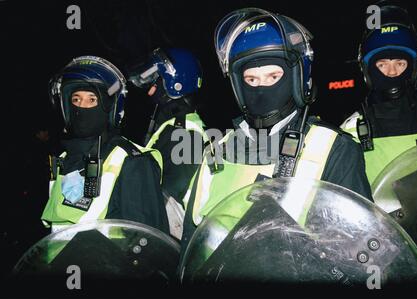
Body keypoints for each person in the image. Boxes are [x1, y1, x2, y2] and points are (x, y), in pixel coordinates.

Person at [180, 8, 373, 256]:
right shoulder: (215, 151)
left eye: (273, 76)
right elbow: (190, 244)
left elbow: (355, 253)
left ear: (297, 78)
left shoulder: (334, 147)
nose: (261, 88)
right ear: (238, 86)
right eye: (251, 80)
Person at [41, 55, 169, 234]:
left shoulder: (132, 161)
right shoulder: (64, 161)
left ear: (110, 108)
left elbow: (148, 246)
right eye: (76, 100)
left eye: (92, 100)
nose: (81, 107)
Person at [340, 3, 417, 185]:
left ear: (414, 67)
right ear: (367, 70)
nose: (392, 73)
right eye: (382, 64)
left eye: (400, 63)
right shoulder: (350, 131)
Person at [127, 48, 207, 208]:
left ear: (175, 85)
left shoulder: (185, 134)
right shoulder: (170, 126)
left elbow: (170, 202)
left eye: (154, 83)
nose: (149, 92)